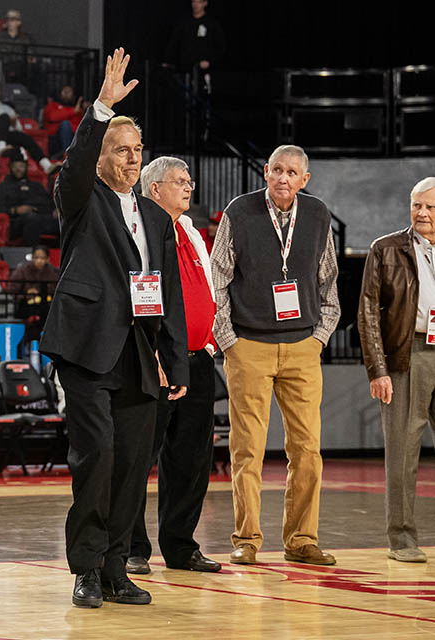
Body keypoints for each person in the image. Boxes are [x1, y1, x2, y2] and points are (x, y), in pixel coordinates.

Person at [39, 48, 188, 608]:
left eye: (137, 150)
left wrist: (174, 361)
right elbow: (75, 162)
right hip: (85, 348)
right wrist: (101, 106)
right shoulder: (79, 197)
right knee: (96, 457)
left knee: (131, 466)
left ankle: (116, 566)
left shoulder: (155, 215)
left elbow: (168, 292)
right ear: (101, 155)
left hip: (139, 353)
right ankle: (85, 567)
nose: (131, 159)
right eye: (120, 150)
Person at [210, 144, 339, 567]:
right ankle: (246, 538)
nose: (283, 178)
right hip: (249, 345)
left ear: (305, 179)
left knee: (307, 449)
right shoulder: (240, 211)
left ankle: (301, 539)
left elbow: (328, 280)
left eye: (293, 173)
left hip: (302, 345)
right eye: (277, 170)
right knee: (248, 448)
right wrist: (228, 340)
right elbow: (219, 278)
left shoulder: (318, 215)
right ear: (265, 172)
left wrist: (319, 336)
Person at [127, 156, 221, 576]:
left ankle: (181, 546)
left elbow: (209, 291)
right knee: (138, 456)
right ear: (154, 189)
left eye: (189, 181)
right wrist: (153, 354)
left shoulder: (191, 232)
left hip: (198, 358)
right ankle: (131, 548)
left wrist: (212, 341)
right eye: (179, 181)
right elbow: (139, 297)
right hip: (157, 360)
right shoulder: (137, 230)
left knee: (192, 458)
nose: (189, 187)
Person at [358, 177, 435, 564]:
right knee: (403, 452)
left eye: (430, 207)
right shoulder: (386, 249)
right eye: (416, 205)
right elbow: (368, 312)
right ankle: (402, 540)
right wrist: (378, 368)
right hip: (407, 354)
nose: (421, 213)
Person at [0, 81, 58, 174]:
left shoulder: (7, 108)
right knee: (3, 117)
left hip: (5, 137)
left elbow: (18, 129)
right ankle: (1, 148)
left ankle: (46, 165)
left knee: (24, 137)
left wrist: (13, 123)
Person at [0, 150, 57, 243]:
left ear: (26, 167)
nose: (18, 169)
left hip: (41, 217)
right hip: (16, 222)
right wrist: (15, 210)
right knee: (31, 219)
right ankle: (31, 252)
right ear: (10, 168)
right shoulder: (3, 187)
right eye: (15, 167)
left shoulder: (36, 186)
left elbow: (49, 203)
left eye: (21, 166)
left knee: (64, 221)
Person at [165, 0, 226, 93]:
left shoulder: (211, 23)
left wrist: (210, 62)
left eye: (199, 2)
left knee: (204, 95)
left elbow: (220, 47)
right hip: (185, 70)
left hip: (203, 71)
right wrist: (169, 62)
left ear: (205, 3)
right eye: (194, 2)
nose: (195, 5)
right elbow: (173, 44)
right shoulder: (184, 23)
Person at [7, 244, 59, 344]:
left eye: (42, 258)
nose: (39, 261)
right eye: (36, 258)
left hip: (47, 308)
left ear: (47, 259)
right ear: (32, 258)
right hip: (26, 307)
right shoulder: (22, 270)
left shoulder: (54, 273)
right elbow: (11, 290)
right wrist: (27, 295)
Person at [43, 85, 85, 158]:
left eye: (69, 91)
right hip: (54, 140)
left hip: (73, 140)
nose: (66, 93)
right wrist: (73, 112)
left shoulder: (77, 110)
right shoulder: (52, 105)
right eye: (64, 91)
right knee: (65, 124)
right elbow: (52, 117)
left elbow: (79, 127)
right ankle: (67, 155)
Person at [0, 9, 33, 84]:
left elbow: (29, 51)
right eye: (8, 20)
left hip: (20, 65)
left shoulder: (24, 37)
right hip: (5, 63)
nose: (9, 22)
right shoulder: (0, 36)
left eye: (12, 20)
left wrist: (30, 58)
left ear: (18, 22)